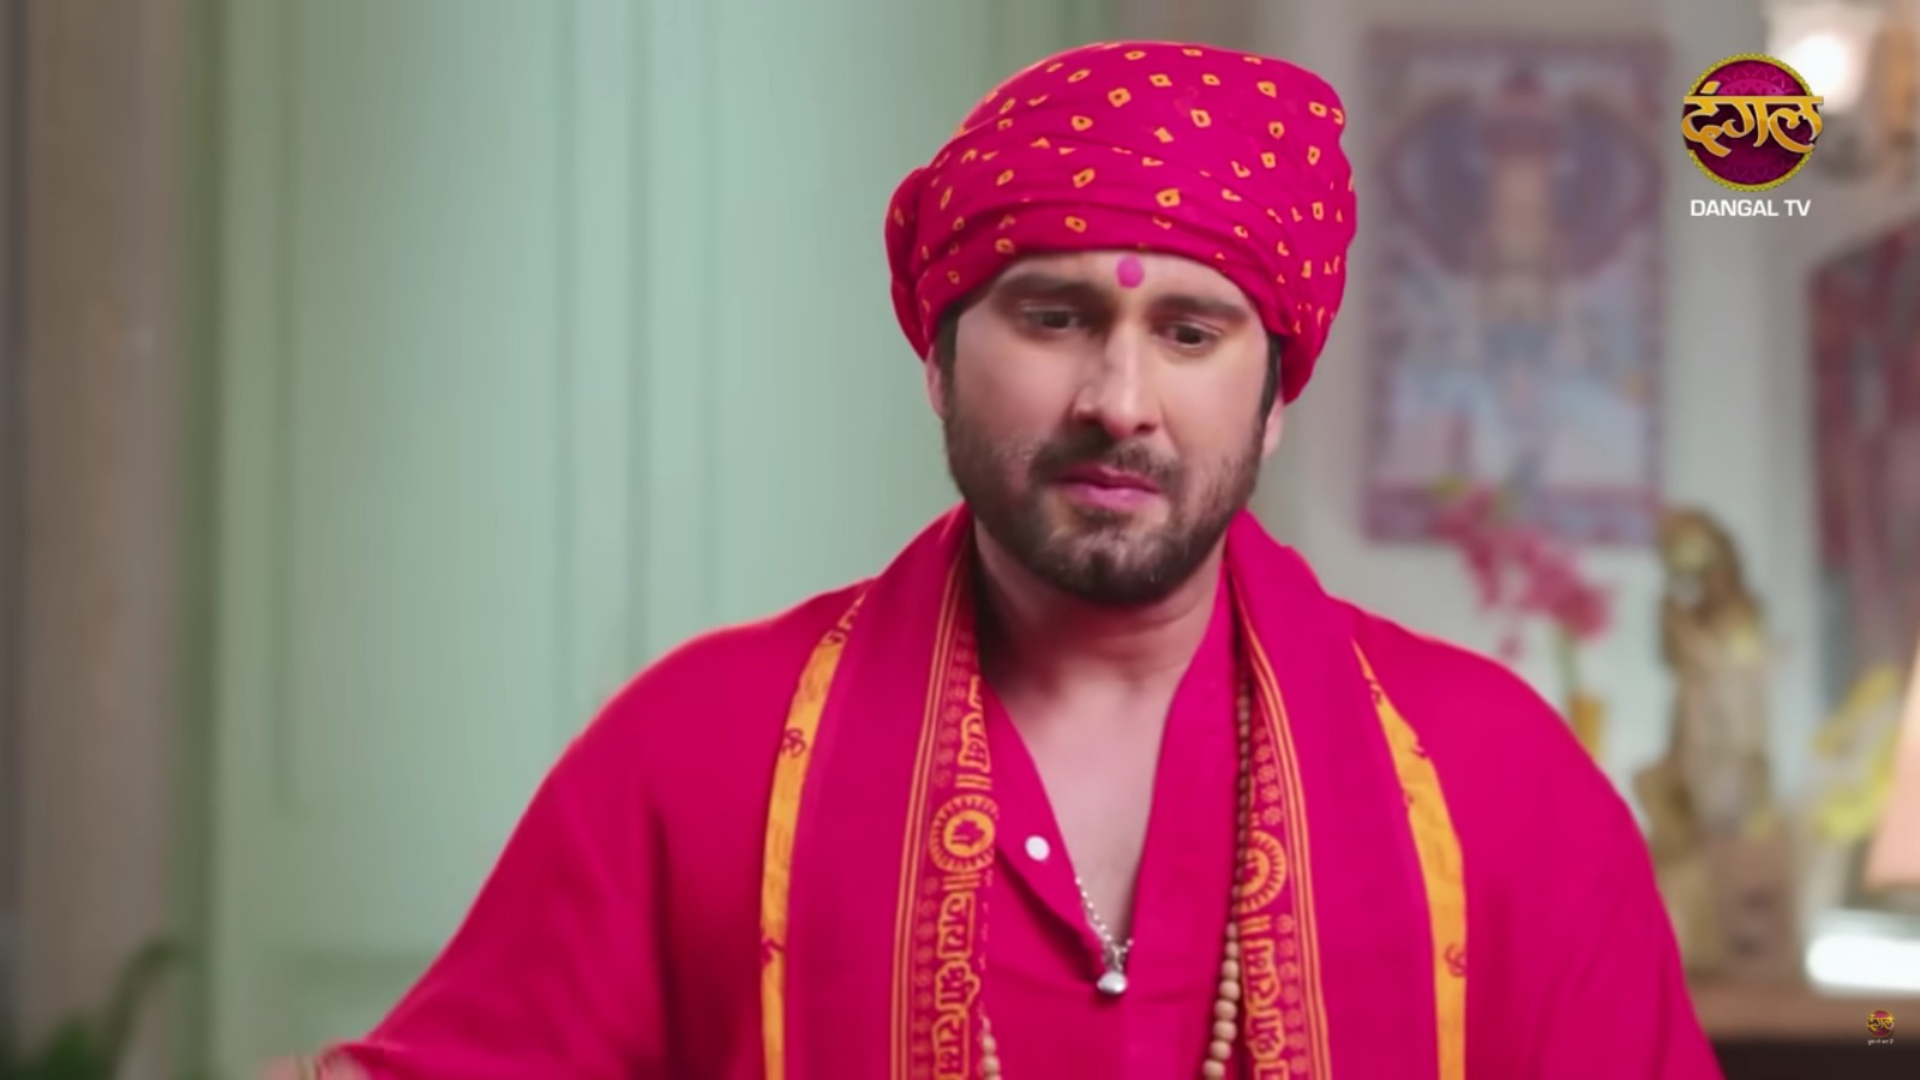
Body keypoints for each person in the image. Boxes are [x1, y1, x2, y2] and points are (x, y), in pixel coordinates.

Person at [266, 40, 1721, 1079]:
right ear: (938, 360)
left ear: (1277, 398)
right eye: (1054, 316)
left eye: (1191, 333)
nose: (1120, 400)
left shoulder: (1496, 787)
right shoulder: (700, 752)